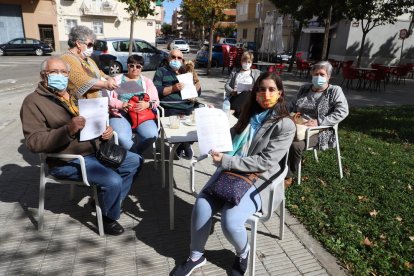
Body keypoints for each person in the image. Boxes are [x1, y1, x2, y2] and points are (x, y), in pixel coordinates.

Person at [173, 72, 295, 276]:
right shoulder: (248, 114)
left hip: (259, 179)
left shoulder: (285, 124)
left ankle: (243, 251)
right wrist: (214, 119)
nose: (266, 94)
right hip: (232, 172)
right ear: (255, 93)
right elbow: (228, 139)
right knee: (201, 206)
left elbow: (265, 162)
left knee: (230, 221)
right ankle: (196, 255)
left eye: (271, 89)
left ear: (280, 93)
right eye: (261, 89)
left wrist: (227, 161)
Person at [20, 57, 141, 236]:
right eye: (54, 72)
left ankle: (105, 200)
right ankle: (108, 216)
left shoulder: (75, 94)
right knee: (113, 180)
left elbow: (93, 120)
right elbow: (34, 142)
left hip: (96, 149)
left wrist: (105, 130)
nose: (59, 76)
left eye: (64, 72)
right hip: (67, 160)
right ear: (43, 75)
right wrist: (68, 130)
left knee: (135, 161)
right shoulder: (33, 102)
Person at [285, 60, 349, 188]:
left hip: (322, 130)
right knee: (278, 137)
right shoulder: (304, 88)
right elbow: (291, 105)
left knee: (296, 146)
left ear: (328, 77)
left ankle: (288, 176)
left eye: (322, 74)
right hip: (298, 125)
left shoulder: (334, 91)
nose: (318, 77)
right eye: (316, 74)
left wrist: (320, 121)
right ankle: (275, 168)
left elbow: (343, 111)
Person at [153, 49, 201, 159]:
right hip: (171, 107)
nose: (176, 60)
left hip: (189, 106)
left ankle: (181, 146)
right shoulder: (161, 71)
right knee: (179, 127)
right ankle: (185, 146)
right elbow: (157, 91)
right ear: (168, 58)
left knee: (201, 124)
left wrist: (196, 81)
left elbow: (198, 93)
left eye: (179, 58)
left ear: (182, 60)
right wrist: (173, 88)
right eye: (173, 57)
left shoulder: (186, 72)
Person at [108, 54, 160, 154]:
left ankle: (135, 155)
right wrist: (121, 104)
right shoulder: (117, 80)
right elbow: (108, 99)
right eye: (131, 65)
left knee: (152, 135)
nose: (134, 69)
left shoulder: (146, 81)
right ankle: (136, 159)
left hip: (141, 114)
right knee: (122, 138)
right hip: (121, 114)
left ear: (142, 68)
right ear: (127, 66)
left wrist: (147, 104)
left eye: (138, 66)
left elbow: (155, 100)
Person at [61, 26, 118, 98]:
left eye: (93, 45)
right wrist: (106, 84)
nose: (92, 48)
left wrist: (109, 78)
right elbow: (82, 81)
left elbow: (99, 72)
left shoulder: (88, 59)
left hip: (96, 103)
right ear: (78, 43)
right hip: (82, 105)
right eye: (90, 45)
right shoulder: (67, 58)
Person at [224, 51, 261, 118]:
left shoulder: (256, 73)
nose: (246, 63)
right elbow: (226, 86)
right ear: (241, 62)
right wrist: (232, 91)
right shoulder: (235, 72)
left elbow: (260, 86)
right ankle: (239, 113)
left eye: (249, 62)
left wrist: (254, 89)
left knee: (246, 93)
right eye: (245, 61)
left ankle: (234, 111)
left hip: (249, 97)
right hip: (235, 96)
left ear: (251, 63)